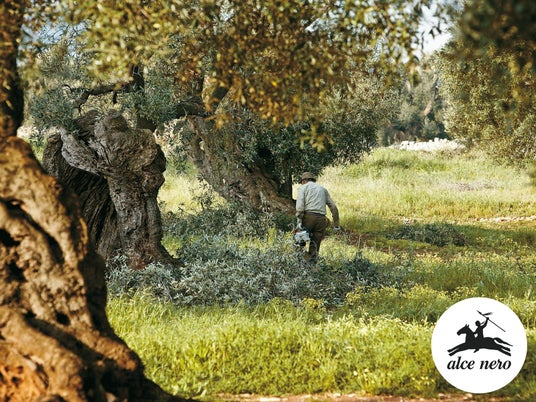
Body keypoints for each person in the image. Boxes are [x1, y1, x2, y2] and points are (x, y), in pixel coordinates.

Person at [295, 172, 341, 263]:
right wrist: (336, 225)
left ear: (303, 181)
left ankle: (300, 263)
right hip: (321, 219)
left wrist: (299, 222)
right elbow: (333, 207)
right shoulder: (323, 189)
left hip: (308, 217)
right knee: (315, 245)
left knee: (300, 242)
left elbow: (300, 207)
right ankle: (312, 265)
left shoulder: (302, 188)